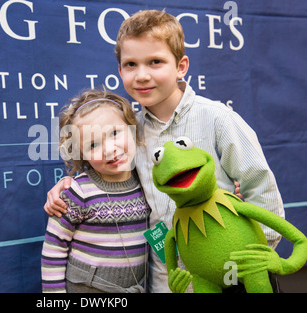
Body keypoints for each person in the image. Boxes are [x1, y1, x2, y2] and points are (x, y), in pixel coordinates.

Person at [44, 10, 285, 293]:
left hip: (232, 276)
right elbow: (110, 173)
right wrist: (68, 184)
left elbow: (261, 189)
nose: (142, 75)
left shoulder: (217, 118)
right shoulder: (130, 131)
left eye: (155, 62)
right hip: (169, 282)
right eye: (131, 64)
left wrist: (254, 256)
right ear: (120, 71)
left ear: (181, 66)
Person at [41, 89, 151, 293]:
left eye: (115, 133)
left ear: (132, 127)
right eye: (93, 145)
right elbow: (54, 248)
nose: (109, 149)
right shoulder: (77, 192)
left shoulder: (146, 183)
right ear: (81, 154)